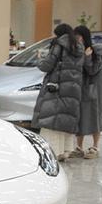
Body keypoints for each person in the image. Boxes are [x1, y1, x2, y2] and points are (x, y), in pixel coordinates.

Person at [32, 23, 84, 161]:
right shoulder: (79, 47)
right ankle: (65, 151)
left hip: (57, 87)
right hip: (73, 89)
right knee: (66, 119)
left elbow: (47, 65)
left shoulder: (59, 45)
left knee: (52, 120)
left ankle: (53, 152)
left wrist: (39, 59)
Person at [69, 25, 102, 159]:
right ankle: (79, 147)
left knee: (94, 117)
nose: (77, 39)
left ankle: (95, 146)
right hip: (80, 89)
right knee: (80, 118)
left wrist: (87, 57)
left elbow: (92, 70)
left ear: (84, 37)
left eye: (79, 36)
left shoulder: (95, 53)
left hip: (93, 90)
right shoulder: (76, 51)